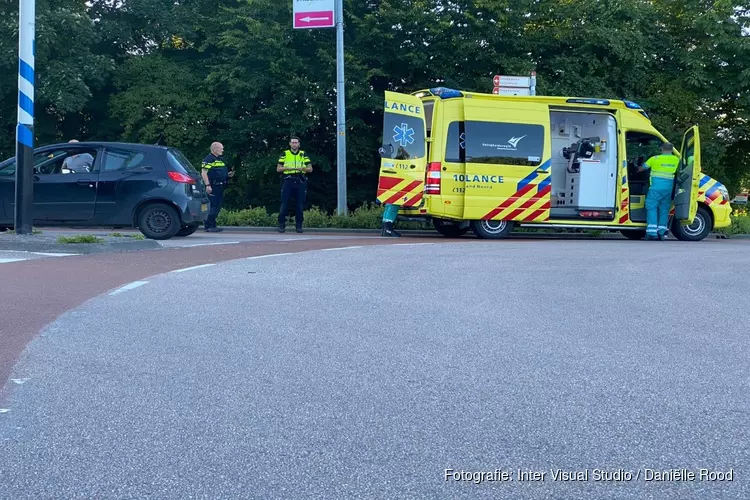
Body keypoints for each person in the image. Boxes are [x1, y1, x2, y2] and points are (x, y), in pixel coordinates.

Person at [639, 142, 680, 240]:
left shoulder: (655, 159)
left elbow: (642, 168)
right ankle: (662, 232)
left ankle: (652, 233)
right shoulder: (677, 160)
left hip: (655, 188)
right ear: (672, 149)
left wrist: (638, 167)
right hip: (668, 189)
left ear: (661, 149)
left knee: (651, 207)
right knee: (664, 209)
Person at [276, 137, 312, 233]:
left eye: (296, 142)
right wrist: (287, 168)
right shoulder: (285, 153)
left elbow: (310, 169)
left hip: (300, 180)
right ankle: (281, 224)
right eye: (293, 142)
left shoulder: (303, 154)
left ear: (299, 144)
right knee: (284, 203)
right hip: (288, 180)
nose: (294, 144)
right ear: (290, 144)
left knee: (300, 204)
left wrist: (301, 169)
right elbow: (278, 168)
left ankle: (299, 225)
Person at [201, 141, 234, 232]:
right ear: (215, 149)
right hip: (213, 185)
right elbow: (204, 173)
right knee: (213, 206)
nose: (222, 150)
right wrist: (208, 185)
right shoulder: (208, 159)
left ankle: (213, 225)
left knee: (217, 206)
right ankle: (208, 226)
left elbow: (219, 173)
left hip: (220, 186)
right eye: (221, 148)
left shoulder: (219, 159)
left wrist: (227, 175)